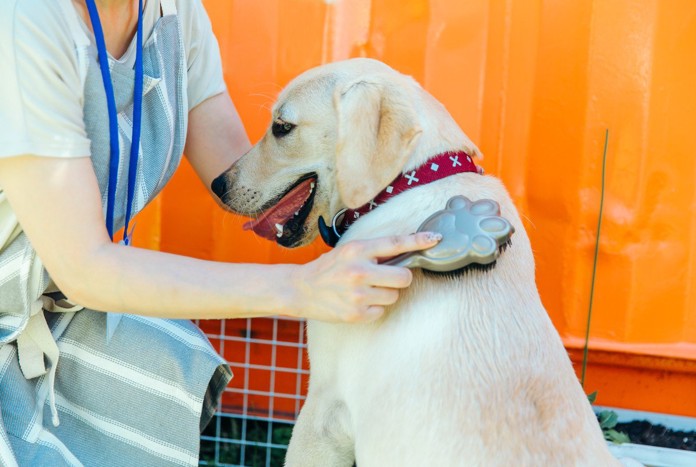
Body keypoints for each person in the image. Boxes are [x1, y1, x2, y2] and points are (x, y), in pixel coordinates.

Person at [0, 0, 440, 465]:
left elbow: (243, 182)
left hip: (58, 308)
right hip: (53, 294)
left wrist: (375, 182)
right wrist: (302, 288)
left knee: (160, 363)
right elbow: (83, 268)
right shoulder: (24, 21)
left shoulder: (173, 11)